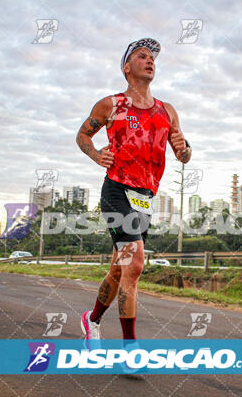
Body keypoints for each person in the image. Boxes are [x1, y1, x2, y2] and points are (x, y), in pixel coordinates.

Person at [76, 38, 192, 348]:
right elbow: (83, 134)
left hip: (144, 198)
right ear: (128, 68)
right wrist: (96, 154)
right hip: (116, 190)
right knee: (135, 265)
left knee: (119, 269)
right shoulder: (112, 105)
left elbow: (184, 151)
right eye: (142, 56)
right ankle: (130, 348)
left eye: (153, 57)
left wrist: (184, 151)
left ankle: (93, 320)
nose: (150, 60)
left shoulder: (166, 111)